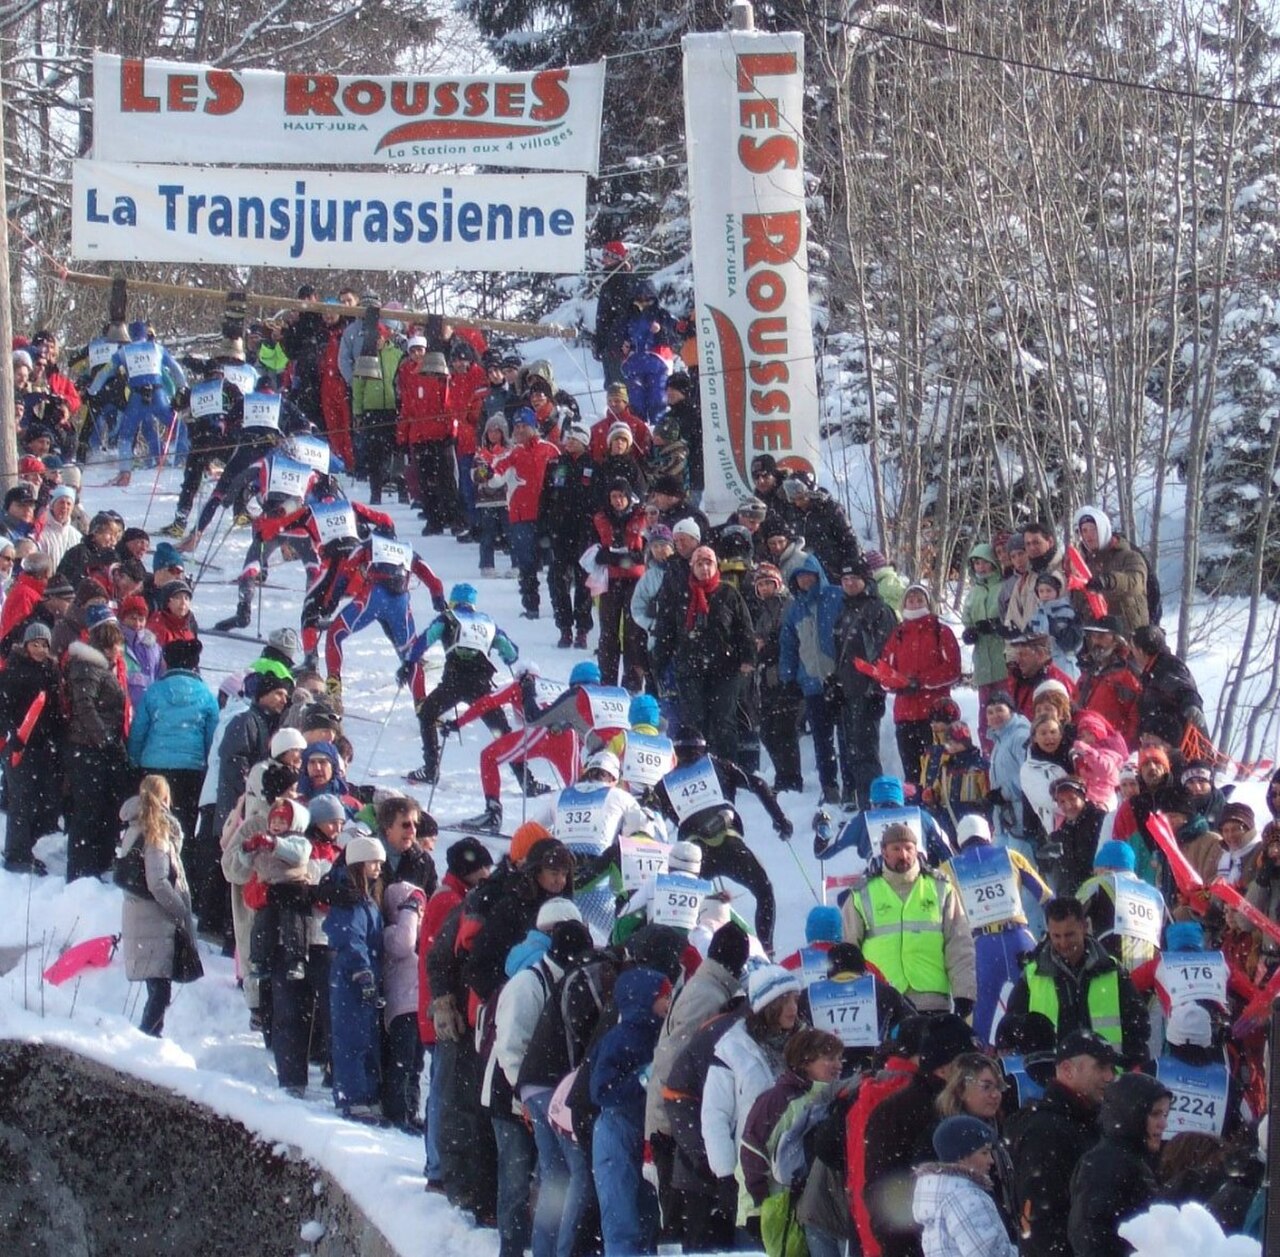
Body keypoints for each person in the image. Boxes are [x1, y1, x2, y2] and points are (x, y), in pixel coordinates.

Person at [701, 966, 802, 1233]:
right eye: (784, 1001)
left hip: (798, 1168)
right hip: (752, 1172)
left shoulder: (807, 1043)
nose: (793, 1008)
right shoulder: (731, 1048)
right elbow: (715, 1116)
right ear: (767, 1006)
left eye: (795, 999)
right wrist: (725, 1175)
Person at [843, 821, 976, 1016]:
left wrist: (964, 993)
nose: (903, 854)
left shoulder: (941, 888)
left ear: (917, 850)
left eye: (908, 848)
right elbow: (849, 952)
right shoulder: (861, 894)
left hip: (932, 1001)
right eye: (896, 849)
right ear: (884, 852)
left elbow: (959, 944)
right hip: (882, 1002)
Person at [1003, 896, 1150, 1066]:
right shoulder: (1032, 975)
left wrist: (1131, 1064)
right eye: (1056, 936)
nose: (1063, 943)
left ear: (1084, 927)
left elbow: (1137, 1025)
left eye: (1069, 934)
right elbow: (1012, 1026)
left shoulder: (1112, 970)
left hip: (1106, 1076)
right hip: (1052, 1078)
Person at [943, 815, 1050, 1045]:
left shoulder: (949, 868)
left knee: (980, 1018)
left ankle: (981, 1067)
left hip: (982, 947)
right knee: (1038, 1005)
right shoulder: (1011, 856)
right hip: (1019, 939)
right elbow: (1046, 897)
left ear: (958, 842)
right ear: (989, 834)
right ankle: (1042, 1054)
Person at [591, 966, 673, 1257]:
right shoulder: (619, 1038)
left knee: (648, 1214)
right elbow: (601, 1090)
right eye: (664, 996)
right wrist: (642, 1078)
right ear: (643, 999)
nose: (669, 1002)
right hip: (617, 1131)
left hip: (644, 1130)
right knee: (621, 1216)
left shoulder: (660, 1035)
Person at [402, 582, 517, 788]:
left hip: (454, 682)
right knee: (502, 731)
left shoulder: (448, 618)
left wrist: (409, 663)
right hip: (481, 684)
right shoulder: (487, 622)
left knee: (427, 714)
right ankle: (526, 779)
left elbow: (424, 640)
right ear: (473, 603)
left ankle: (431, 768)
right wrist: (508, 658)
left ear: (453, 601)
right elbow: (510, 651)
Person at [651, 545, 756, 759]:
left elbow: (744, 629)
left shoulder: (729, 593)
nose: (705, 568)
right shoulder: (680, 594)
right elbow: (666, 631)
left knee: (724, 721)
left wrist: (747, 657)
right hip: (689, 667)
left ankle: (727, 771)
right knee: (694, 721)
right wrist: (658, 664)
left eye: (709, 563)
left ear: (716, 566)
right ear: (692, 567)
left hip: (725, 668)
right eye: (700, 563)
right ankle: (698, 768)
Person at [127, 636, 220, 875]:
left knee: (151, 819)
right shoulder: (206, 695)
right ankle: (180, 869)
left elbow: (139, 730)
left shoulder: (154, 692)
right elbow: (213, 737)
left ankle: (147, 867)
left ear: (167, 662)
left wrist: (134, 761)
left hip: (155, 767)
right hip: (190, 769)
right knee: (184, 822)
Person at [118, 775, 198, 1037]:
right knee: (160, 993)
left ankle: (147, 1038)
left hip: (139, 916)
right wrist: (181, 910)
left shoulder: (133, 827)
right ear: (166, 798)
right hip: (155, 919)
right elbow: (158, 883)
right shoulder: (156, 831)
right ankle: (146, 1042)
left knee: (157, 990)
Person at [1067, 1073, 1171, 1256]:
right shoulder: (1105, 1163)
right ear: (1132, 1114)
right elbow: (1089, 1235)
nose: (1163, 1124)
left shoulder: (1133, 1158)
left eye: (1165, 1114)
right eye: (1155, 1114)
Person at [325, 832, 386, 1121]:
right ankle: (352, 1096)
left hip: (366, 974)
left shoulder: (367, 899)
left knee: (366, 1037)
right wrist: (362, 971)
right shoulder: (349, 899)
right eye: (373, 862)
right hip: (352, 977)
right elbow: (350, 938)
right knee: (352, 1038)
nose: (378, 868)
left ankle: (367, 1093)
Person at [65, 618, 130, 881]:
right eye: (117, 645)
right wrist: (104, 738)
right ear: (107, 645)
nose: (120, 651)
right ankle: (81, 870)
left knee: (101, 808)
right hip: (88, 748)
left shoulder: (102, 668)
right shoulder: (88, 667)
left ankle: (97, 863)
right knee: (87, 810)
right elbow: (85, 706)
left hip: (99, 747)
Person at [879, 584, 961, 788]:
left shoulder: (941, 631)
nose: (915, 604)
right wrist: (897, 683)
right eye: (911, 600)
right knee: (912, 772)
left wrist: (922, 681)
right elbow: (884, 672)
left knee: (938, 771)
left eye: (919, 600)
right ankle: (916, 808)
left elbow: (952, 669)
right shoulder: (897, 634)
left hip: (935, 714)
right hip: (905, 714)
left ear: (928, 603)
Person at [0, 622, 64, 874]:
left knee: (47, 799)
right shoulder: (13, 672)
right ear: (25, 645)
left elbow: (55, 710)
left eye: (44, 645)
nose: (39, 649)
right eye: (35, 644)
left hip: (44, 745)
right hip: (19, 745)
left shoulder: (51, 671)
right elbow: (3, 708)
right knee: (22, 800)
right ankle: (16, 854)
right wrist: (11, 734)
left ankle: (29, 846)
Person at [911, 1116, 1017, 1257]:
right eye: (984, 1152)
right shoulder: (965, 1196)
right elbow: (987, 1253)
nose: (991, 1160)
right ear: (961, 1156)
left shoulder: (944, 1192)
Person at [491, 408, 559, 620]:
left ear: (533, 426)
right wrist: (484, 473)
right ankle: (531, 606)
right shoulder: (511, 453)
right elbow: (495, 479)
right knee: (527, 565)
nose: (520, 430)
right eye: (517, 426)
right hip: (521, 517)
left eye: (524, 426)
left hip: (548, 516)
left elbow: (563, 478)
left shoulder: (550, 450)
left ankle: (560, 607)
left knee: (555, 566)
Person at [540, 423, 598, 648]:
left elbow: (598, 501)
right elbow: (545, 498)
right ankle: (564, 628)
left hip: (584, 534)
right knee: (558, 581)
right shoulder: (556, 465)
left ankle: (582, 629)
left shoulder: (593, 466)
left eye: (575, 438)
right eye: (569, 438)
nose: (570, 442)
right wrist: (543, 529)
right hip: (560, 534)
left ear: (584, 442)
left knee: (584, 584)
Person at [592, 478, 648, 691]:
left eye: (621, 496)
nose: (617, 501)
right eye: (614, 497)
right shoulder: (600, 518)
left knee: (633, 633)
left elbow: (648, 547)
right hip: (610, 579)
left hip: (635, 580)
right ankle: (607, 680)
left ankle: (632, 682)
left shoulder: (641, 517)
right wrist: (603, 556)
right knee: (608, 633)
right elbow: (592, 546)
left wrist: (635, 556)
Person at [1073, 506, 1150, 635]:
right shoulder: (1084, 564)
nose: (1088, 535)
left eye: (1093, 529)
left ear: (1103, 529)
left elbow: (1135, 582)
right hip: (1098, 637)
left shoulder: (1130, 556)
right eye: (1084, 531)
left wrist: (1108, 581)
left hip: (1130, 635)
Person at [594, 241, 634, 386]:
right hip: (610, 345)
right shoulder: (610, 281)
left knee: (619, 388)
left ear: (616, 257)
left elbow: (623, 314)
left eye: (607, 255)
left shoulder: (621, 280)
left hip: (617, 347)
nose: (603, 260)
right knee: (613, 387)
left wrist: (614, 340)